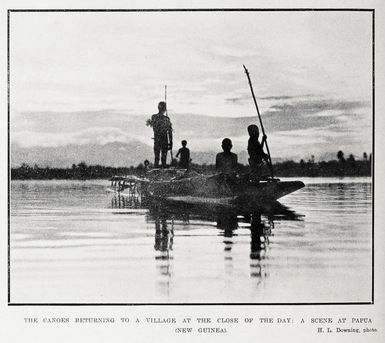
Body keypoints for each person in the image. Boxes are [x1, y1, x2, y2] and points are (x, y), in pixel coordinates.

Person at [147, 101, 173, 168]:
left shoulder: (154, 117)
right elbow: (169, 131)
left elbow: (154, 127)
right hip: (164, 140)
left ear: (158, 108)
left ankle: (156, 171)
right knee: (163, 158)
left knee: (157, 158)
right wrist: (171, 142)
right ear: (165, 109)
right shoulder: (166, 119)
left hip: (157, 140)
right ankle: (162, 171)